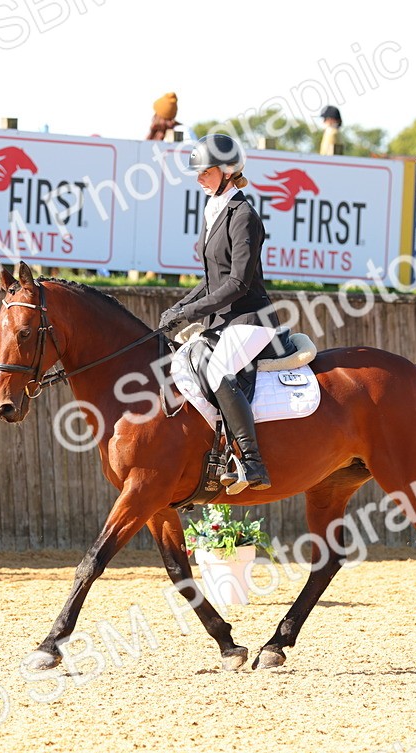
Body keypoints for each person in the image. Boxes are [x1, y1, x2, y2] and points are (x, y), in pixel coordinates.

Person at [158, 134, 280, 493]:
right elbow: (211, 280)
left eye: (205, 171)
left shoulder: (243, 216)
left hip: (251, 318)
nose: (199, 178)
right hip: (222, 320)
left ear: (228, 170)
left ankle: (253, 462)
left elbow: (238, 283)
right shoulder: (214, 210)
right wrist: (180, 309)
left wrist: (191, 311)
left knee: (219, 370)